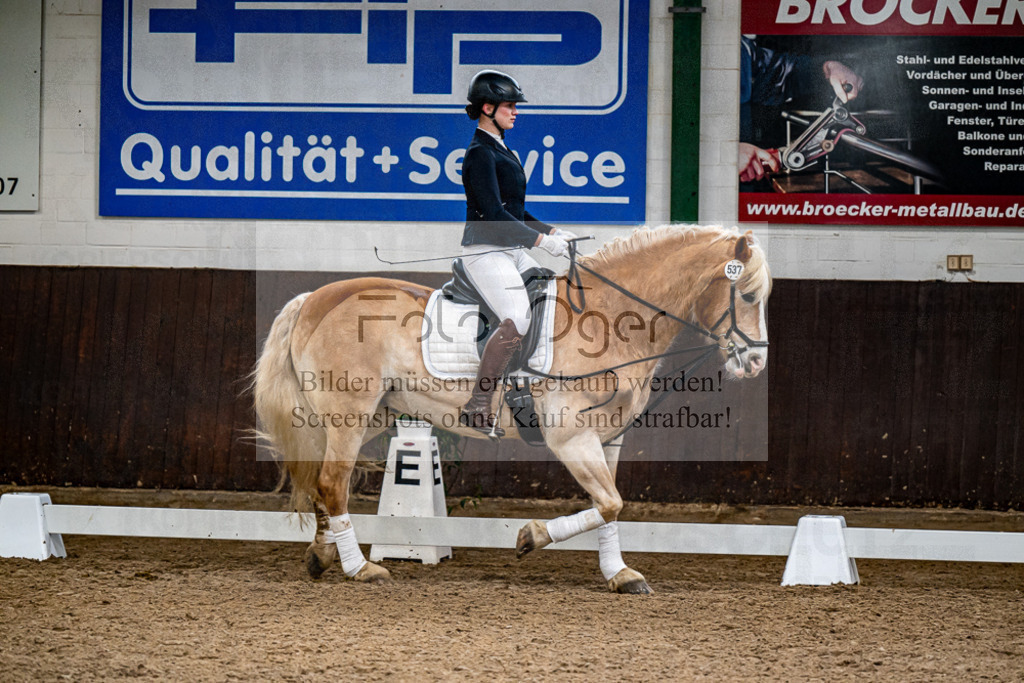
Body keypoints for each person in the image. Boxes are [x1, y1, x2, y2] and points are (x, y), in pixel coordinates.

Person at [457, 69, 575, 438]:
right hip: (485, 250)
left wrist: (552, 231)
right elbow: (493, 214)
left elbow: (514, 212)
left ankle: (522, 384)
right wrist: (541, 243)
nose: (515, 112)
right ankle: (478, 405)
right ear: (487, 108)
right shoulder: (479, 154)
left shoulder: (503, 150)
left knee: (549, 297)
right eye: (509, 106)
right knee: (517, 318)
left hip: (509, 248)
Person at [739, 35, 863, 183]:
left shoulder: (739, 50)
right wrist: (724, 154)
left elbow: (780, 72)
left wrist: (828, 68)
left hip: (748, 175)